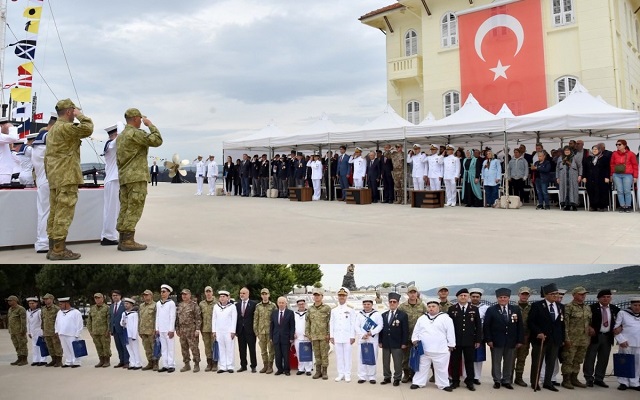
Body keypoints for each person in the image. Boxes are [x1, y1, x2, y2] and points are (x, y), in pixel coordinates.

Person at [44, 99, 94, 260]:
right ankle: (59, 250)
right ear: (69, 112)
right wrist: (81, 116)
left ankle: (53, 247)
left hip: (55, 176)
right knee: (64, 212)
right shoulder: (65, 127)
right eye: (73, 111)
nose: (75, 113)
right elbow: (88, 129)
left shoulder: (52, 129)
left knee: (55, 212)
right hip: (66, 175)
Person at [116, 108, 163, 250]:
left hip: (125, 176)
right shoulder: (135, 133)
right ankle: (128, 242)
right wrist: (150, 124)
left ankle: (123, 238)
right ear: (136, 119)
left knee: (125, 207)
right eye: (140, 119)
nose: (141, 121)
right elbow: (157, 140)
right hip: (136, 176)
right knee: (135, 207)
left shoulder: (121, 135)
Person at [410, 298, 455, 392]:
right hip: (424, 350)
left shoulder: (445, 318)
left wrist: (451, 344)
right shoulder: (422, 318)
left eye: (433, 306)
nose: (431, 308)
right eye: (429, 306)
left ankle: (443, 384)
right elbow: (416, 331)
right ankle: (418, 382)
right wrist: (414, 340)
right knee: (422, 367)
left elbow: (450, 332)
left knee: (442, 369)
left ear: (438, 307)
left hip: (441, 350)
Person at [483, 288, 524, 389]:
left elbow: (520, 326)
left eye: (505, 297)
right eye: (500, 297)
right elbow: (486, 326)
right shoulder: (491, 310)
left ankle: (506, 380)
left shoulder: (515, 309)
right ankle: (497, 380)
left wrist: (520, 340)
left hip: (511, 341)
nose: (503, 299)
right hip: (496, 341)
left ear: (509, 298)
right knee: (496, 362)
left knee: (509, 362)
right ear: (497, 298)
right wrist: (489, 340)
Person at [528, 283, 566, 391]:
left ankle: (548, 382)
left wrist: (562, 339)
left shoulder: (560, 306)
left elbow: (562, 325)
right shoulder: (537, 305)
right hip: (541, 339)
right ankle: (534, 382)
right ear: (546, 295)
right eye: (553, 294)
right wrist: (538, 332)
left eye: (556, 293)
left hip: (555, 339)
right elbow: (531, 322)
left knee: (551, 362)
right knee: (537, 362)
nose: (556, 295)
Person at [583, 289, 619, 387]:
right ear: (598, 298)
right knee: (590, 358)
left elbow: (622, 320)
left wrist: (619, 327)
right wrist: (589, 327)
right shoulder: (591, 308)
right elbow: (585, 320)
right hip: (595, 336)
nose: (606, 299)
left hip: (607, 336)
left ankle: (599, 378)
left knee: (603, 358)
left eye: (608, 297)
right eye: (603, 297)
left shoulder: (614, 308)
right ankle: (589, 378)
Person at [31, 114, 56, 253]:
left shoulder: (37, 142)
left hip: (42, 179)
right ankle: (43, 242)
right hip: (49, 179)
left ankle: (42, 242)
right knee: (47, 212)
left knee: (43, 212)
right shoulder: (48, 138)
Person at [448, 288, 483, 391]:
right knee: (455, 362)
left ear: (468, 297)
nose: (463, 297)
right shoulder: (452, 309)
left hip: (469, 340)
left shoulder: (474, 309)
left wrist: (478, 340)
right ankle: (455, 381)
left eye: (465, 296)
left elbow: (478, 326)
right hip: (455, 341)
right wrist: (449, 341)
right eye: (461, 296)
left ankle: (470, 381)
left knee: (469, 362)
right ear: (457, 297)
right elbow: (448, 327)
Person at [560, 286, 592, 389]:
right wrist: (566, 339)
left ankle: (574, 378)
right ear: (574, 295)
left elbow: (589, 323)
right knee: (568, 360)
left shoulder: (587, 307)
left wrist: (590, 333)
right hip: (572, 339)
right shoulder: (568, 307)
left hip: (583, 339)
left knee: (578, 360)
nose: (583, 296)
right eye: (581, 294)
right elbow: (565, 325)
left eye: (584, 294)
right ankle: (566, 380)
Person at [398, 285, 427, 383]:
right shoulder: (402, 306)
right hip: (406, 336)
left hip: (419, 337)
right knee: (405, 357)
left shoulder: (422, 305)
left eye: (414, 292)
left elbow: (427, 318)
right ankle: (406, 374)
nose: (413, 294)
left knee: (417, 356)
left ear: (417, 294)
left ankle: (415, 374)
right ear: (407, 294)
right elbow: (398, 320)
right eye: (411, 292)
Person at [379, 292, 408, 386]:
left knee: (397, 363)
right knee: (385, 362)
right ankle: (387, 377)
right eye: (390, 301)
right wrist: (380, 341)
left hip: (397, 343)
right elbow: (381, 329)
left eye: (394, 302)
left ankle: (397, 378)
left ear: (397, 303)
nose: (392, 303)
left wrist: (404, 342)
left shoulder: (402, 315)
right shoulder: (384, 315)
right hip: (386, 343)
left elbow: (405, 330)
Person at [613, 296, 640, 391]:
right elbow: (616, 329)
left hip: (638, 343)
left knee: (637, 364)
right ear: (631, 305)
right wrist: (621, 340)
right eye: (635, 305)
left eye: (639, 305)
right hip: (626, 343)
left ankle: (634, 382)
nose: (637, 307)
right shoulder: (623, 313)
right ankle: (623, 382)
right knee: (624, 362)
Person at [101, 124, 121, 246]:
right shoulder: (111, 144)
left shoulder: (110, 144)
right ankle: (109, 236)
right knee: (112, 210)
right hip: (113, 180)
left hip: (112, 179)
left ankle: (108, 235)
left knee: (111, 209)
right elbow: (120, 136)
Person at [330, 287, 356, 382]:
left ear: (346, 297)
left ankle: (347, 374)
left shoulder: (351, 309)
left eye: (343, 295)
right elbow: (331, 323)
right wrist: (331, 336)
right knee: (339, 356)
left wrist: (352, 336)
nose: (342, 297)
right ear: (337, 296)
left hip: (347, 336)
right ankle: (340, 374)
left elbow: (353, 323)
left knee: (347, 356)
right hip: (337, 336)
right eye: (340, 295)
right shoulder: (334, 310)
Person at [355, 296, 383, 383]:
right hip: (363, 339)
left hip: (372, 339)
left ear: (372, 304)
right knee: (361, 357)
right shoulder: (360, 314)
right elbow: (356, 326)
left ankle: (372, 376)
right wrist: (362, 335)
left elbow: (380, 325)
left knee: (372, 357)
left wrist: (372, 332)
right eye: (365, 304)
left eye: (368, 304)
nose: (366, 306)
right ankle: (362, 376)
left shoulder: (377, 314)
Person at [306, 287, 332, 380]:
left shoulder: (327, 308)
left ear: (322, 296)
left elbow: (330, 322)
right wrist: (308, 333)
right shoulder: (310, 309)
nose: (316, 297)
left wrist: (329, 334)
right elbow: (308, 322)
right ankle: (318, 371)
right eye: (315, 295)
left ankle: (324, 371)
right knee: (317, 354)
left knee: (324, 354)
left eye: (318, 295)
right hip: (314, 336)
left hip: (324, 335)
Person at [176, 288, 202, 372]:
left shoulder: (194, 305)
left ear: (190, 295)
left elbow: (198, 318)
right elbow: (177, 318)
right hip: (182, 330)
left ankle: (196, 364)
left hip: (191, 330)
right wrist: (177, 328)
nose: (184, 296)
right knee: (184, 348)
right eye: (183, 294)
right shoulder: (180, 305)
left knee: (194, 347)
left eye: (185, 294)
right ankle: (186, 364)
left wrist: (197, 329)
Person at [212, 290, 237, 373]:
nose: (222, 298)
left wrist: (233, 331)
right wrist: (214, 331)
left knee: (229, 349)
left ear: (228, 297)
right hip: (219, 331)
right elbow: (214, 319)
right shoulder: (216, 306)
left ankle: (230, 366)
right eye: (221, 297)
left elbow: (234, 319)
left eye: (224, 297)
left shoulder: (232, 307)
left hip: (228, 331)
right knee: (221, 349)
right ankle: (222, 366)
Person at [467, 288, 489, 384]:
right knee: (467, 357)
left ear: (480, 297)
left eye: (477, 297)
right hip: (468, 335)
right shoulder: (466, 306)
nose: (475, 298)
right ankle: (467, 375)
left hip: (480, 335)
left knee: (478, 357)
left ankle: (476, 377)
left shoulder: (486, 308)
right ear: (470, 297)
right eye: (473, 296)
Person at [54, 297, 83, 368]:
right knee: (65, 348)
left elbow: (79, 324)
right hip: (62, 333)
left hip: (72, 334)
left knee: (73, 348)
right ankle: (68, 361)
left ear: (66, 304)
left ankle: (76, 362)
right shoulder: (59, 312)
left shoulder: (76, 312)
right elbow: (57, 322)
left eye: (61, 304)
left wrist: (77, 334)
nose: (59, 306)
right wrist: (57, 331)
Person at [610, 139, 638, 212]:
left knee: (627, 190)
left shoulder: (631, 154)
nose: (618, 146)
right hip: (616, 174)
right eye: (616, 144)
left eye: (619, 144)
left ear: (624, 145)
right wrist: (611, 174)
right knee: (620, 190)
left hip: (627, 174)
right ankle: (622, 206)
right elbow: (612, 164)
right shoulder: (614, 154)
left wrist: (635, 176)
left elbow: (635, 165)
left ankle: (628, 206)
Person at [270, 296, 295, 375]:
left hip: (286, 338)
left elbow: (292, 326)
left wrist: (291, 337)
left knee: (286, 355)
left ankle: (287, 370)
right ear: (277, 303)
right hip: (276, 337)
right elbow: (272, 326)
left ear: (286, 303)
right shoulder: (274, 313)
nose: (281, 304)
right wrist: (271, 337)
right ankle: (279, 369)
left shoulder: (290, 313)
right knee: (278, 355)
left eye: (282, 303)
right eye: (279, 303)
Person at [254, 288, 277, 374]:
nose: (264, 296)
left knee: (271, 350)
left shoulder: (273, 306)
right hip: (261, 332)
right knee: (263, 350)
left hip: (270, 332)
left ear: (269, 295)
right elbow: (256, 319)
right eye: (263, 294)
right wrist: (256, 331)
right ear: (261, 295)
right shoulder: (258, 306)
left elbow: (275, 319)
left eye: (266, 294)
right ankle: (265, 365)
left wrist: (275, 331)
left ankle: (270, 366)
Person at [155, 284, 177, 373]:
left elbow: (172, 317)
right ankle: (165, 364)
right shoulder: (158, 303)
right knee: (163, 348)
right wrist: (157, 328)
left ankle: (171, 365)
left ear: (168, 293)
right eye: (161, 292)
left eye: (164, 292)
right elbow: (157, 316)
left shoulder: (171, 303)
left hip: (168, 329)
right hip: (161, 329)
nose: (162, 293)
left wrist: (171, 330)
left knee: (170, 348)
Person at [235, 286, 257, 373]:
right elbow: (235, 318)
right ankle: (243, 365)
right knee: (242, 349)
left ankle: (253, 366)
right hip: (240, 330)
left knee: (252, 349)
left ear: (248, 294)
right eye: (241, 293)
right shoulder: (237, 305)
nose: (242, 295)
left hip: (250, 330)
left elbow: (255, 318)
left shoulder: (254, 304)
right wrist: (235, 330)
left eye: (244, 293)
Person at [514, 287, 532, 387]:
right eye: (522, 294)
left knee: (522, 359)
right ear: (519, 294)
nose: (524, 296)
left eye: (526, 294)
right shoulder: (512, 307)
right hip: (514, 338)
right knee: (511, 359)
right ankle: (508, 377)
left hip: (526, 337)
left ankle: (519, 378)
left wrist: (528, 335)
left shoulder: (532, 308)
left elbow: (533, 322)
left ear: (529, 296)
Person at [87, 293, 111, 368]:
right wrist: (90, 331)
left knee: (106, 346)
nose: (97, 300)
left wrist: (108, 330)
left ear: (102, 299)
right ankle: (101, 360)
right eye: (96, 298)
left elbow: (109, 320)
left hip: (104, 332)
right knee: (98, 346)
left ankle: (107, 361)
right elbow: (89, 321)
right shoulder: (92, 308)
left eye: (99, 298)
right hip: (95, 332)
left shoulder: (107, 308)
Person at [584, 144, 610, 211]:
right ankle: (593, 206)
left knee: (601, 191)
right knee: (591, 191)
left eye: (596, 149)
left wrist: (607, 177)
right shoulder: (589, 158)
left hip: (601, 178)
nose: (594, 150)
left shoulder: (604, 158)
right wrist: (584, 177)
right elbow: (585, 168)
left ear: (599, 150)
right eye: (593, 149)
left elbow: (607, 168)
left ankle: (602, 206)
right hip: (590, 178)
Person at [198, 286, 218, 372]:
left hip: (214, 329)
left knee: (214, 346)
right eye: (207, 292)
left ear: (212, 292)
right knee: (207, 347)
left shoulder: (217, 303)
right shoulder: (201, 304)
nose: (208, 293)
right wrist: (199, 328)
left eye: (210, 291)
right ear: (205, 293)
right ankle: (209, 363)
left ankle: (215, 363)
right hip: (205, 329)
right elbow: (199, 317)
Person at [557, 146, 582, 211]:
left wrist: (580, 175)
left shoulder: (575, 157)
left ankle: (574, 205)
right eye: (565, 150)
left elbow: (580, 166)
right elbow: (557, 168)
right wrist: (557, 177)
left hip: (573, 176)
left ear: (571, 151)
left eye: (568, 150)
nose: (567, 152)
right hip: (563, 176)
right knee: (564, 189)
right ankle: (566, 205)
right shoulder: (560, 158)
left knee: (573, 189)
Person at [41, 293, 63, 367]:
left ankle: (59, 361)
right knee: (49, 346)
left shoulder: (57, 309)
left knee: (57, 346)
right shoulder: (43, 309)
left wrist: (58, 331)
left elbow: (59, 321)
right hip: (46, 331)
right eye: (44, 299)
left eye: (47, 299)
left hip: (54, 331)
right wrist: (43, 329)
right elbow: (42, 320)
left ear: (52, 299)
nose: (45, 301)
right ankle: (53, 360)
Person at [138, 289, 157, 371]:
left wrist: (155, 329)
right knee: (147, 348)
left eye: (147, 295)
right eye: (144, 295)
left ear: (151, 296)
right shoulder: (141, 306)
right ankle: (150, 363)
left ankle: (155, 363)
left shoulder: (155, 305)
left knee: (154, 348)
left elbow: (157, 318)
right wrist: (139, 329)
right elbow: (140, 318)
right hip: (143, 330)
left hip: (151, 331)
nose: (145, 297)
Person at [109, 290, 129, 368]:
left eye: (116, 295)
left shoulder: (124, 305)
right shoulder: (111, 306)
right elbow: (111, 318)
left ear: (120, 296)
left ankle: (127, 361)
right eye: (113, 295)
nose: (115, 297)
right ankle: (121, 361)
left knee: (125, 346)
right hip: (115, 329)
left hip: (122, 329)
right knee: (118, 346)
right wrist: (111, 329)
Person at [6, 295, 28, 366]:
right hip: (13, 331)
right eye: (8, 301)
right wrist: (9, 329)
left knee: (22, 345)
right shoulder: (10, 309)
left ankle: (24, 359)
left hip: (19, 331)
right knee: (16, 345)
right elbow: (9, 320)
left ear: (15, 301)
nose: (9, 302)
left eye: (10, 300)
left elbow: (23, 321)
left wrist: (23, 330)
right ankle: (19, 358)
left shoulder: (21, 309)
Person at [121, 298, 142, 370]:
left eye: (127, 304)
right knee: (129, 348)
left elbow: (135, 325)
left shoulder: (134, 314)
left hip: (132, 334)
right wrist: (123, 323)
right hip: (125, 333)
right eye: (125, 304)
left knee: (135, 349)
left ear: (131, 305)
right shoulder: (124, 313)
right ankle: (132, 362)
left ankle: (138, 363)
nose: (125, 305)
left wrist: (134, 335)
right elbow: (121, 323)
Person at [293, 298, 312, 375]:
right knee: (298, 353)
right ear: (297, 305)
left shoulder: (309, 313)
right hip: (297, 337)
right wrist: (293, 333)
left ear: (305, 304)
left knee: (308, 353)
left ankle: (308, 369)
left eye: (302, 304)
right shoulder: (294, 314)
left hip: (306, 336)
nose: (301, 305)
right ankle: (301, 368)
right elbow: (292, 325)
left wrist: (309, 333)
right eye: (299, 304)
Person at [0, 117, 21, 184]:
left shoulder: (2, 137)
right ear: (1, 126)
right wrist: (11, 127)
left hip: (4, 172)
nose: (8, 129)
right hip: (2, 172)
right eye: (7, 127)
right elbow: (13, 138)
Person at [26, 296, 46, 366]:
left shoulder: (39, 311)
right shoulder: (28, 312)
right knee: (34, 346)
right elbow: (28, 322)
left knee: (41, 345)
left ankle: (43, 360)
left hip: (39, 330)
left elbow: (42, 322)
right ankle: (36, 360)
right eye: (30, 303)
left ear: (36, 303)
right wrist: (28, 332)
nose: (31, 305)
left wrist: (43, 332)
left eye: (33, 303)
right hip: (32, 331)